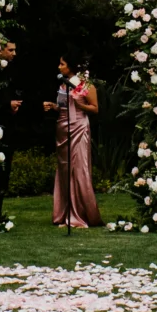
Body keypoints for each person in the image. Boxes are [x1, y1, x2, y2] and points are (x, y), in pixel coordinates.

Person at [44, 57, 102, 228]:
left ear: (71, 66)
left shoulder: (84, 84)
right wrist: (54, 107)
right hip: (62, 128)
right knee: (64, 169)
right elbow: (64, 106)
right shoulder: (63, 83)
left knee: (78, 168)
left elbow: (95, 108)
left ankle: (83, 213)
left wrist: (80, 105)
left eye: (62, 63)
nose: (59, 66)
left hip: (78, 127)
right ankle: (64, 212)